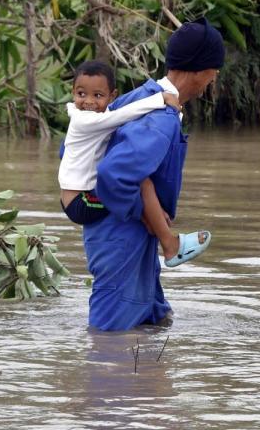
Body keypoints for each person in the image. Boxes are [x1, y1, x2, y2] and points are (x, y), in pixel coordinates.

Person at [84, 18, 224, 331]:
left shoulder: (142, 97)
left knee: (157, 322)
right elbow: (113, 174)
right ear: (200, 70)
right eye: (214, 71)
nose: (214, 79)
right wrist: (146, 214)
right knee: (109, 345)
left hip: (129, 240)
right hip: (121, 240)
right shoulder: (161, 118)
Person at [59, 60, 208, 267]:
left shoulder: (95, 116)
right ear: (73, 92)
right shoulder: (84, 120)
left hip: (80, 196)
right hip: (80, 203)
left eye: (98, 95)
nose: (88, 101)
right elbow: (122, 115)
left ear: (113, 96)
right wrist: (161, 99)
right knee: (141, 184)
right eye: (81, 94)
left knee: (140, 190)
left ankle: (153, 222)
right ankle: (169, 244)